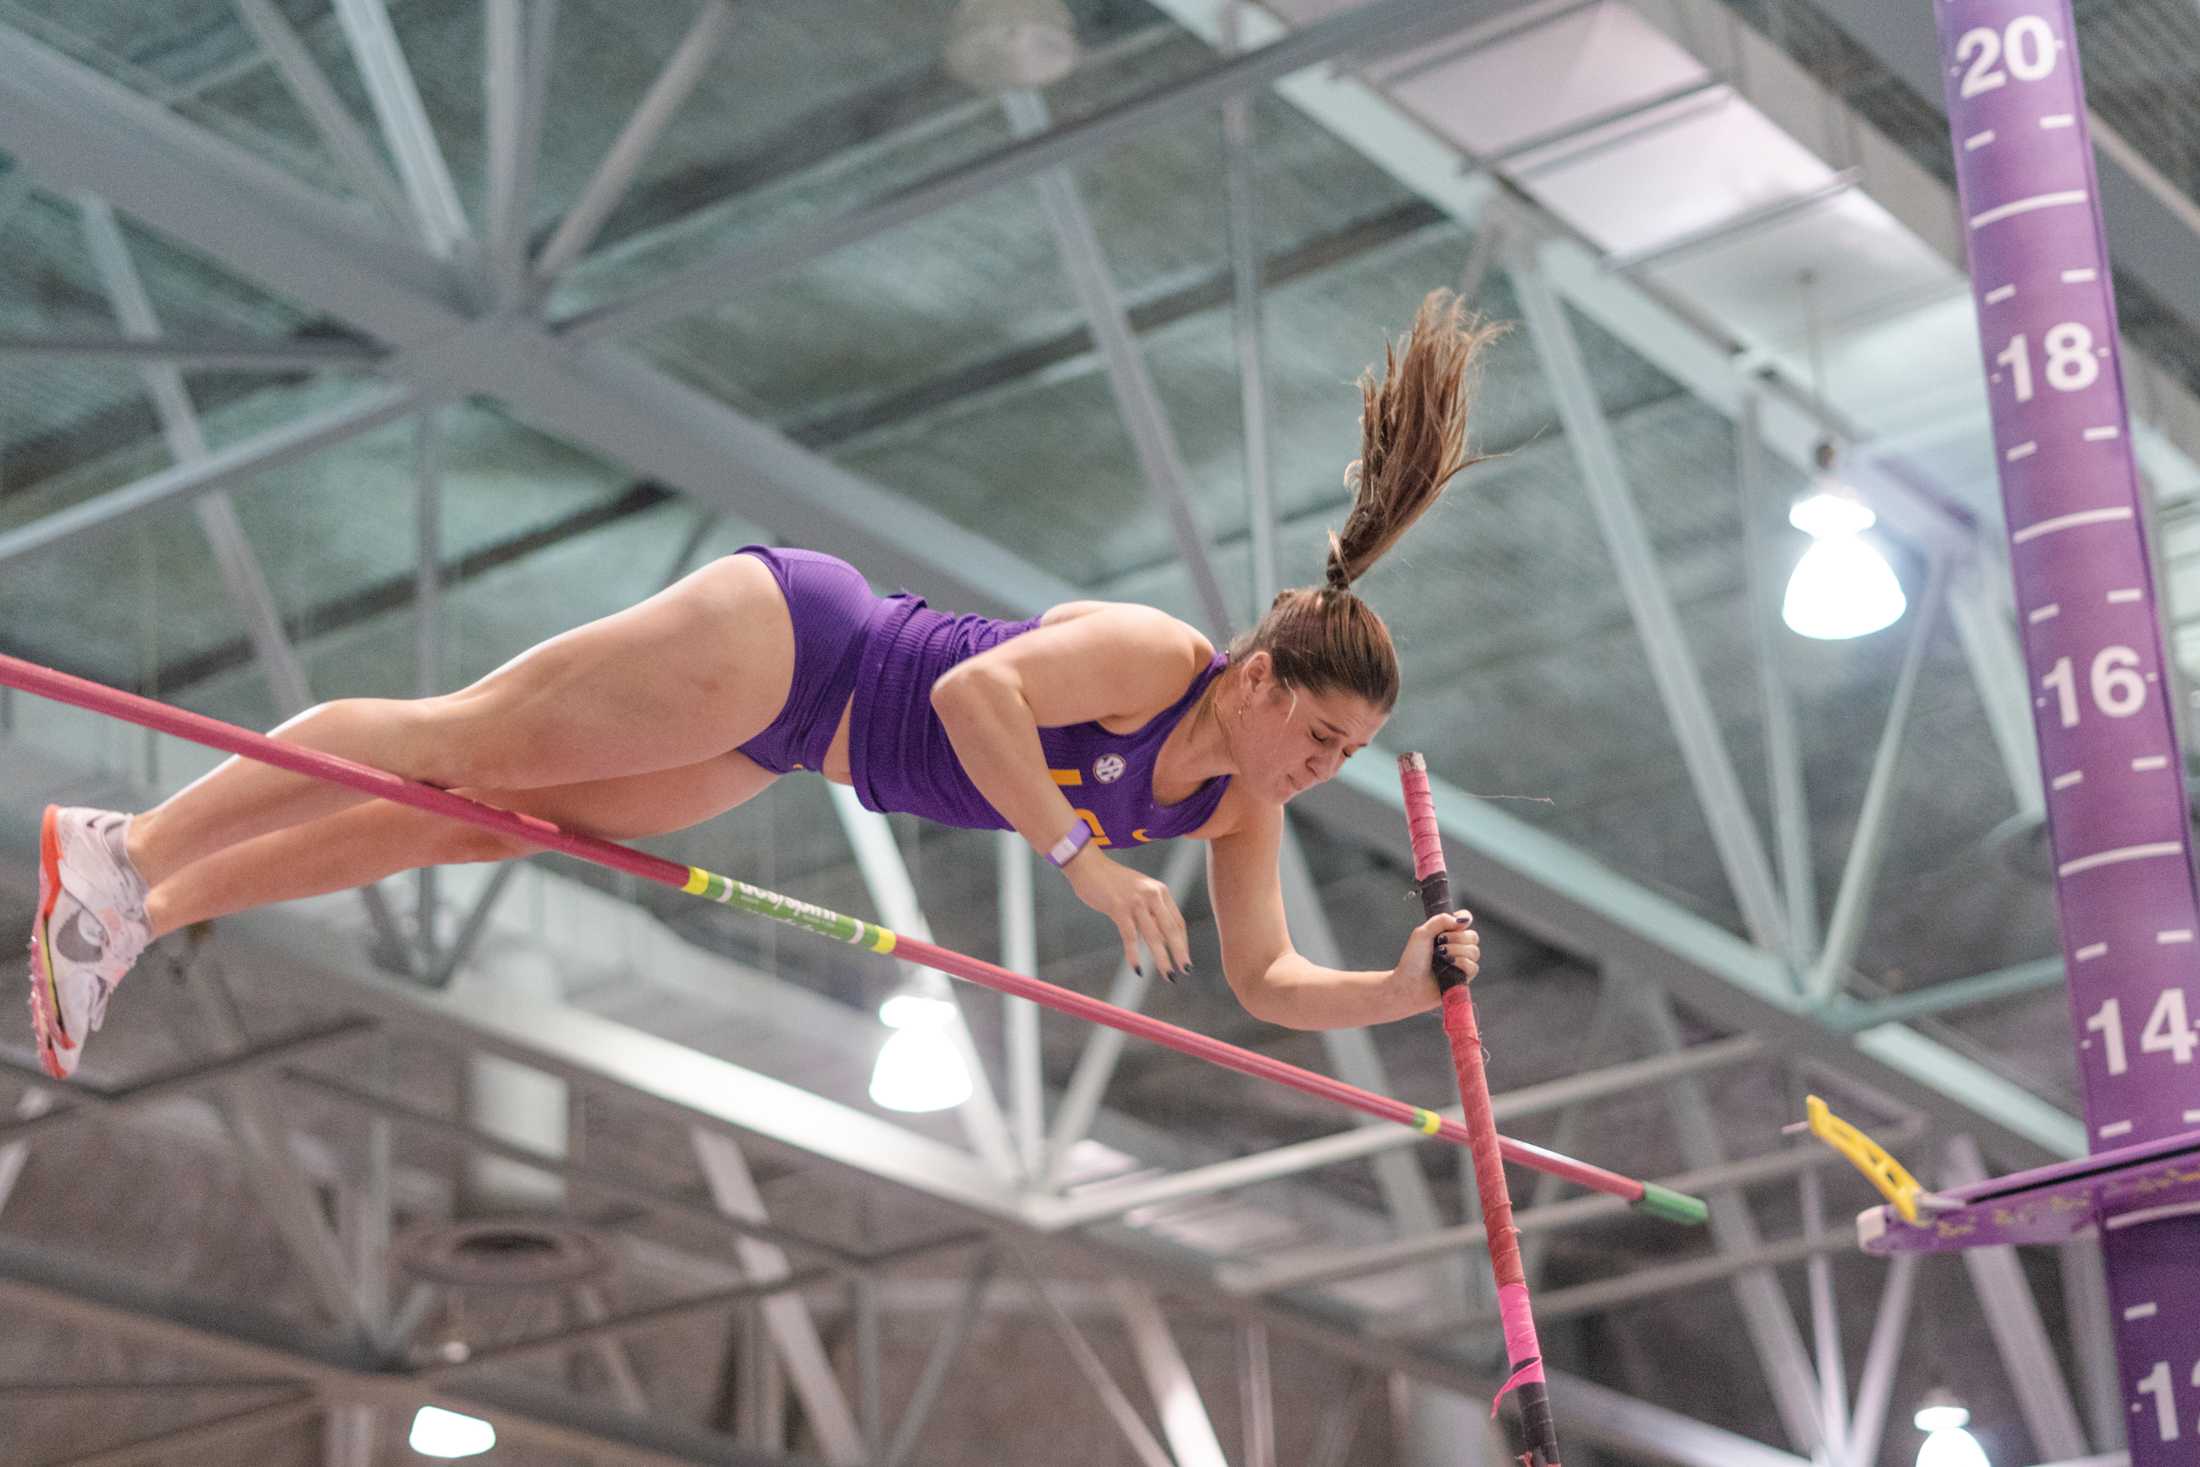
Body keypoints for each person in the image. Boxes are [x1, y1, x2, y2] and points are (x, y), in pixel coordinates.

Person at [27, 291, 1494, 1081]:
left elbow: (1263, 980)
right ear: (1250, 674)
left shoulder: (1239, 809)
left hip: (794, 746)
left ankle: (148, 914)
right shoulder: (1149, 656)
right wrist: (1083, 863)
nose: (1316, 769)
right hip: (803, 643)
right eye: (1314, 731)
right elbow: (981, 707)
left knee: (482, 821)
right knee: (454, 739)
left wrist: (1396, 989)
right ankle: (128, 847)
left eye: (1346, 757)